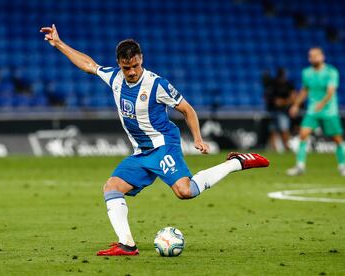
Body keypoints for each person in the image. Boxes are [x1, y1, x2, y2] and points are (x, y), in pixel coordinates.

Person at [40, 24, 270, 256]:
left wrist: (198, 139)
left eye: (136, 66)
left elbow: (187, 110)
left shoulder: (157, 84)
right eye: (127, 67)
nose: (132, 72)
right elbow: (89, 65)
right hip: (141, 152)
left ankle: (236, 162)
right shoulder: (114, 78)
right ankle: (127, 244)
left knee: (185, 191)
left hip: (163, 146)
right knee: (112, 187)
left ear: (142, 59)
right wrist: (58, 43)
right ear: (119, 64)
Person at [287, 47, 345, 176]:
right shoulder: (306, 72)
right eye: (310, 56)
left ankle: (343, 165)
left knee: (337, 139)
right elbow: (305, 90)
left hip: (329, 111)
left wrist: (322, 103)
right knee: (303, 134)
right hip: (312, 111)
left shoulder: (331, 72)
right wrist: (296, 105)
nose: (312, 58)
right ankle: (300, 166)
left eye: (314, 56)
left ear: (322, 57)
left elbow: (331, 91)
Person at [264, 68, 296, 152]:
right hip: (273, 111)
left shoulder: (288, 85)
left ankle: (287, 148)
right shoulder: (273, 84)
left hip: (283, 111)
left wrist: (283, 102)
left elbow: (293, 97)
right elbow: (267, 97)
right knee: (273, 131)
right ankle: (274, 149)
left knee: (284, 130)